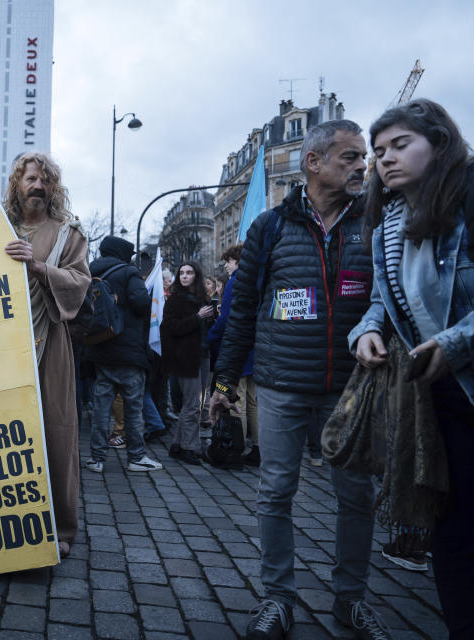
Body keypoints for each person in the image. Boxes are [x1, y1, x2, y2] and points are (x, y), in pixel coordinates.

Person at [209, 120, 389, 640]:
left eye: (364, 158)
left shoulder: (376, 222)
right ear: (313, 163)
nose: (362, 166)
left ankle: (350, 600)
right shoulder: (268, 228)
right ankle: (278, 598)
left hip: (349, 389)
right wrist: (224, 387)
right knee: (275, 491)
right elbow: (241, 311)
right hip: (281, 384)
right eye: (351, 157)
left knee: (356, 495)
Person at [349, 99, 474, 639]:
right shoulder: (386, 225)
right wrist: (368, 330)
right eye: (379, 152)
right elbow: (384, 295)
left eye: (400, 145)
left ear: (440, 142)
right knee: (452, 530)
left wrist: (456, 341)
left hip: (463, 375)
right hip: (438, 395)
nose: (385, 160)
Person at [3, 152, 91, 558]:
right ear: (17, 184)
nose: (37, 186)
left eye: (44, 181)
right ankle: (6, 519)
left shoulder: (68, 233)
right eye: (30, 179)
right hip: (1, 346)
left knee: (55, 433)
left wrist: (37, 266)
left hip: (50, 345)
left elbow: (78, 280)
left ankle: (59, 526)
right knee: (4, 433)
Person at [84, 236, 163, 474]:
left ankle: (97, 459)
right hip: (129, 353)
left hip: (100, 348)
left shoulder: (90, 272)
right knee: (133, 408)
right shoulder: (129, 273)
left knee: (101, 409)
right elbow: (140, 303)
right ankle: (136, 457)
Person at [206, 244, 259, 466]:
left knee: (236, 401)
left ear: (238, 261)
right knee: (254, 403)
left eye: (229, 260)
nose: (226, 265)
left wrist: (209, 336)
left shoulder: (235, 282)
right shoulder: (258, 280)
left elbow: (226, 317)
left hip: (238, 350)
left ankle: (234, 450)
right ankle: (257, 448)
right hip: (256, 348)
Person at [161, 261, 215, 465]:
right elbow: (170, 328)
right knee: (192, 404)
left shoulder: (203, 298)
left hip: (203, 354)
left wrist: (210, 317)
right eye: (181, 272)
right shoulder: (175, 300)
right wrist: (197, 317)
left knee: (196, 404)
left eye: (189, 273)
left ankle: (177, 445)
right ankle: (190, 447)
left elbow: (206, 328)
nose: (184, 276)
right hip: (185, 357)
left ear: (196, 276)